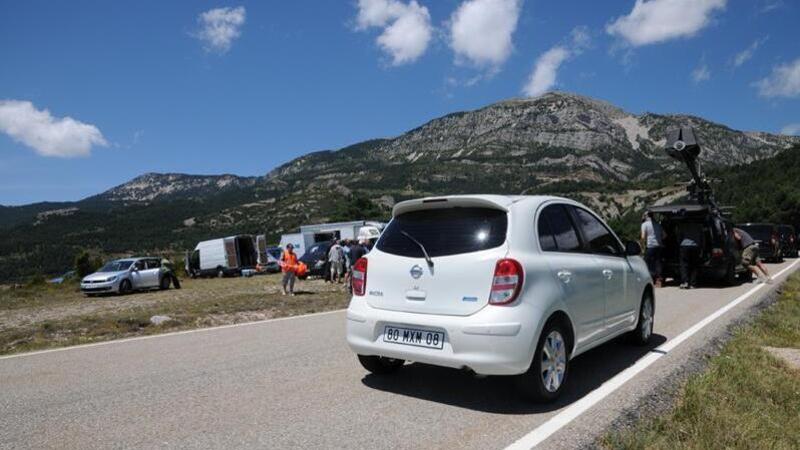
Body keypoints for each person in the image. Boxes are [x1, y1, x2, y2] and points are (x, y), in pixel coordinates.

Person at [640, 211, 665, 287]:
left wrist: (642, 246)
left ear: (646, 216)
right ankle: (659, 280)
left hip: (650, 246)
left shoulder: (644, 224)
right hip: (659, 246)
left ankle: (649, 279)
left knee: (646, 263)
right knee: (658, 262)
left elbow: (643, 237)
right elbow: (664, 235)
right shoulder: (658, 225)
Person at [677, 222, 703, 289]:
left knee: (684, 264)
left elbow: (679, 236)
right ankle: (693, 284)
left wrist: (679, 244)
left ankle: (685, 282)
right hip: (695, 246)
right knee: (694, 265)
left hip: (684, 246)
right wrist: (702, 247)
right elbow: (702, 237)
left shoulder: (683, 225)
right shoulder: (698, 226)